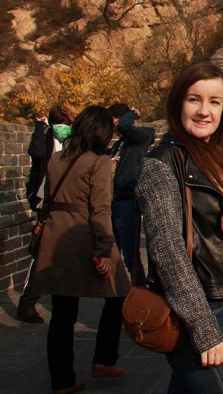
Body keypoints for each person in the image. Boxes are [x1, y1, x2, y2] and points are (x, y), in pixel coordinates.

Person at [135, 62, 223, 393]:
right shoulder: (163, 163)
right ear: (178, 103)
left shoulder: (217, 158)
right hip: (203, 309)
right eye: (194, 99)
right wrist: (203, 329)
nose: (204, 111)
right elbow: (167, 251)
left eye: (214, 101)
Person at [32, 105, 131, 394]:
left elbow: (47, 197)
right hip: (84, 235)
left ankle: (62, 380)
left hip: (55, 237)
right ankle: (104, 358)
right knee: (118, 294)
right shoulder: (98, 161)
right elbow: (100, 208)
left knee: (62, 314)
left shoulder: (56, 158)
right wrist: (103, 248)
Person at [20, 105, 75, 324]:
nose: (64, 128)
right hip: (45, 203)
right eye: (61, 124)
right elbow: (36, 153)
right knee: (40, 251)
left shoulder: (72, 141)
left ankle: (60, 296)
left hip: (66, 203)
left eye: (67, 125)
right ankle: (28, 301)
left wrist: (74, 122)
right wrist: (39, 126)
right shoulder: (45, 139)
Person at [108, 103, 155, 285]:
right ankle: (116, 295)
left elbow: (124, 126)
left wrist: (132, 113)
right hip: (113, 200)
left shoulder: (141, 137)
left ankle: (139, 293)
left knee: (130, 257)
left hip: (127, 202)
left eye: (114, 123)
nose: (115, 129)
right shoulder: (121, 143)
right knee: (112, 254)